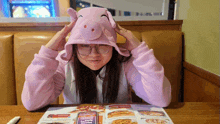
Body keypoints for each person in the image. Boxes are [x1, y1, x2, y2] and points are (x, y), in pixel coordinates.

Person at [21, 7, 171, 111]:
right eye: (84, 46)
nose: (94, 54)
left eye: (103, 46)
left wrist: (139, 49)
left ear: (113, 46)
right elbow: (32, 103)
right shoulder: (64, 62)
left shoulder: (124, 62)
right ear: (74, 47)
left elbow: (161, 99)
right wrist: (48, 53)